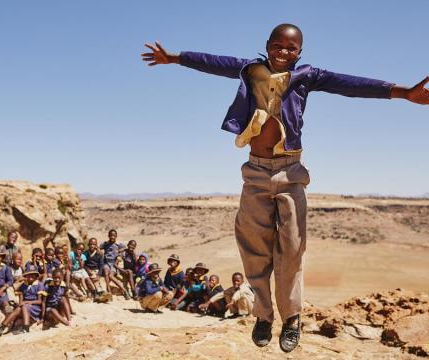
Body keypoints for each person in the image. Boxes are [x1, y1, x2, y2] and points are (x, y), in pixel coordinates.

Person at [141, 24, 429, 351]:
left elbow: (351, 84)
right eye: (277, 45)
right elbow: (213, 61)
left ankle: (292, 317)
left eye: (290, 48)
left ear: (299, 53)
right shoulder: (249, 69)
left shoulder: (308, 75)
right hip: (255, 172)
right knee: (254, 248)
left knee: (291, 248)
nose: (282, 52)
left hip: (291, 171)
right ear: (267, 45)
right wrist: (175, 58)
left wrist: (404, 92)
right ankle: (264, 316)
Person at [0, 264, 46, 336]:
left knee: (24, 306)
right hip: (25, 307)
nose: (31, 277)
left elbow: (39, 301)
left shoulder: (39, 285)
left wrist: (27, 302)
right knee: (19, 308)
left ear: (36, 276)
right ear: (25, 276)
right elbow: (21, 301)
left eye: (33, 275)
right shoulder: (23, 285)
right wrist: (20, 304)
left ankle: (26, 328)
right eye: (28, 275)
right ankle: (3, 326)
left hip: (35, 308)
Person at [100, 229, 130, 299]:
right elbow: (99, 247)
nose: (112, 237)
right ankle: (109, 291)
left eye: (114, 235)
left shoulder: (118, 244)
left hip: (114, 264)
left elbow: (125, 248)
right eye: (111, 235)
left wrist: (119, 252)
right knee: (106, 271)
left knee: (110, 275)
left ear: (116, 236)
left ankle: (124, 290)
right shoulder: (105, 244)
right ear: (108, 236)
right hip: (106, 262)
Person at [83, 238, 111, 302]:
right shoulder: (85, 253)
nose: (92, 246)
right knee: (93, 277)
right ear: (88, 245)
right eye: (90, 244)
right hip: (89, 270)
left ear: (96, 245)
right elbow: (83, 264)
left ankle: (101, 293)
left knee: (99, 279)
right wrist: (87, 270)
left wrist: (99, 274)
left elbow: (101, 265)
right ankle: (100, 293)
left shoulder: (99, 254)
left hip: (97, 270)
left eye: (94, 244)